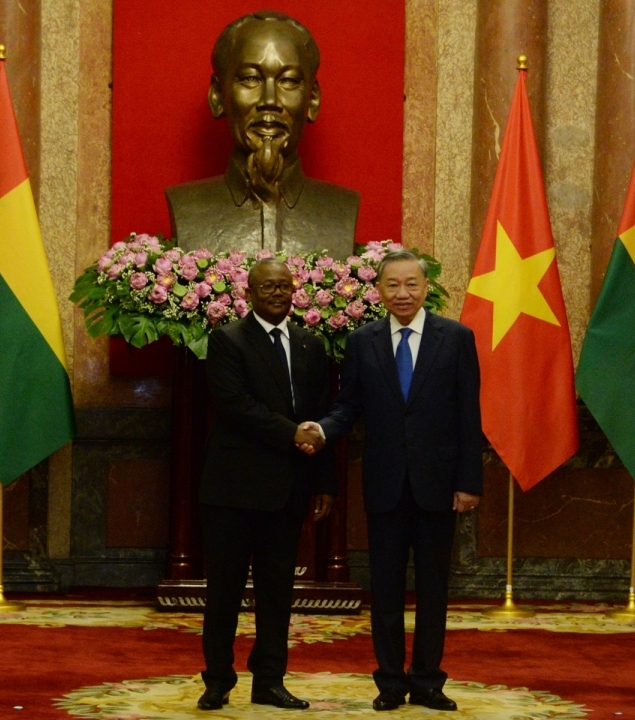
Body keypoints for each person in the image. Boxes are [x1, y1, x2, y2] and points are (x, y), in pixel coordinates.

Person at [297, 250, 482, 712]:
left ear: (426, 288)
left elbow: (468, 415)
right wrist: (321, 430)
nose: (403, 294)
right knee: (384, 590)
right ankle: (390, 684)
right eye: (393, 285)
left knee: (435, 588)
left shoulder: (456, 338)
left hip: (439, 485)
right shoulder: (363, 341)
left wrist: (469, 482)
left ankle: (428, 682)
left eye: (411, 284)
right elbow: (348, 406)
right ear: (378, 291)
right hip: (384, 485)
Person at [197, 257, 336, 711]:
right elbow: (234, 405)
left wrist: (324, 483)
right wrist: (289, 432)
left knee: (277, 593)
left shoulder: (311, 344)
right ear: (249, 293)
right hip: (234, 490)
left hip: (289, 490)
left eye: (283, 286)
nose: (276, 293)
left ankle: (269, 680)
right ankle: (217, 679)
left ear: (295, 290)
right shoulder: (227, 339)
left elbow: (321, 414)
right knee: (225, 592)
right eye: (267, 287)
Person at [166, 10, 359, 258]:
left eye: (288, 81)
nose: (270, 100)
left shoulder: (341, 208)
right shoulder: (187, 206)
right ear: (217, 95)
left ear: (312, 99)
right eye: (250, 79)